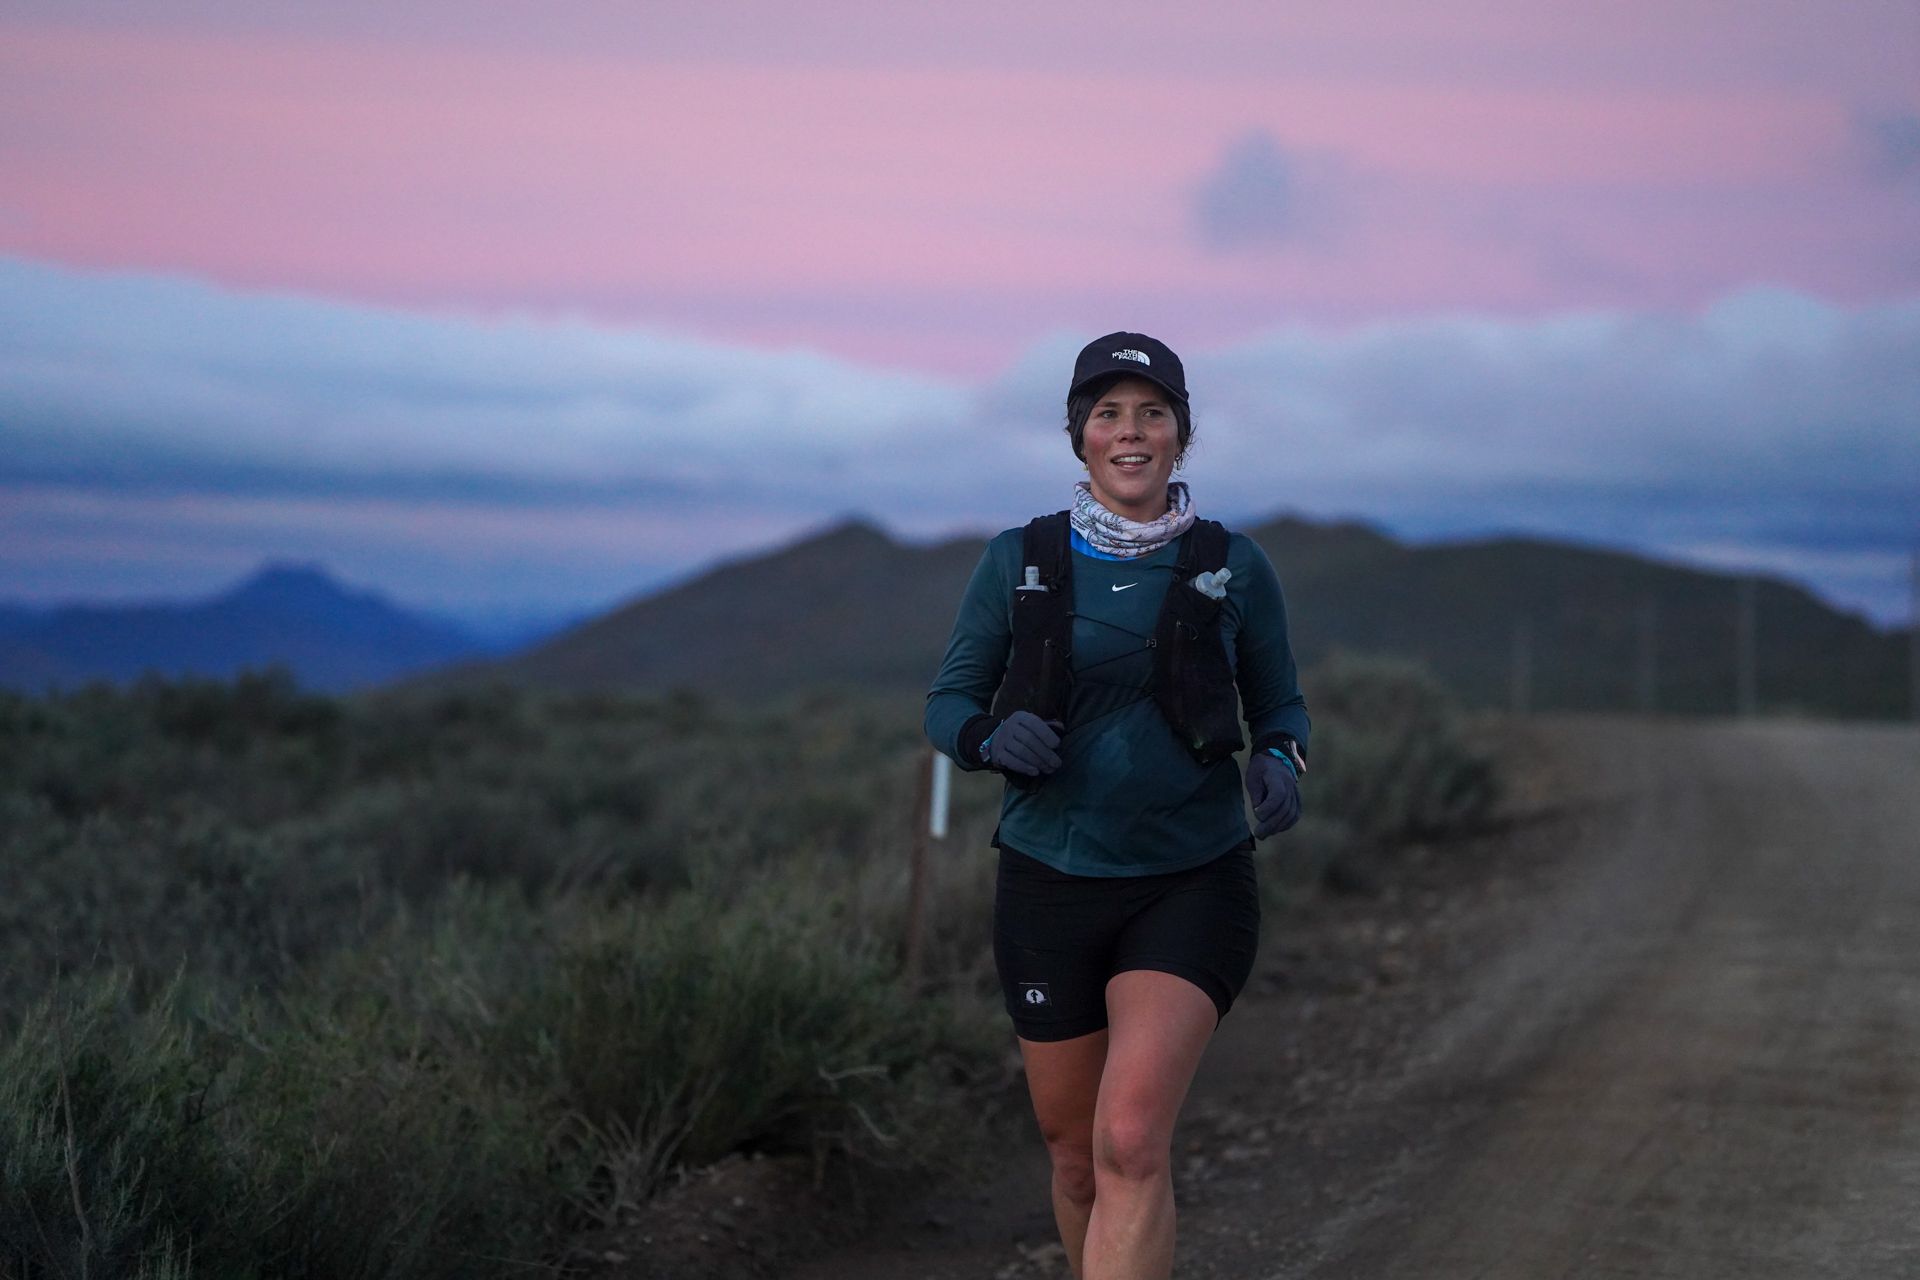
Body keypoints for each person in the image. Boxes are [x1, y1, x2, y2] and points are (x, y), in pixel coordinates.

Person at [926, 332, 1309, 1280]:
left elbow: (1280, 705)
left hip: (1191, 877)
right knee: (1075, 1158)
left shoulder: (1235, 564)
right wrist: (985, 738)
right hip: (1049, 881)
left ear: (1181, 434)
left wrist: (1281, 759)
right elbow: (948, 702)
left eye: (1152, 412)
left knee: (1130, 1139)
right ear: (1080, 435)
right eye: (1108, 413)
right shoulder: (1020, 559)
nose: (1130, 431)